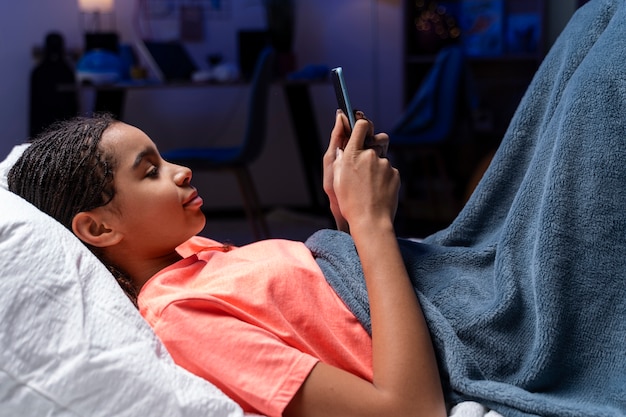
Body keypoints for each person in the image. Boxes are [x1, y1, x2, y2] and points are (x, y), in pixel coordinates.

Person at [7, 112, 447, 417]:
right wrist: (372, 224)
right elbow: (408, 409)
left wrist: (347, 211)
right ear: (99, 229)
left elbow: (321, 309)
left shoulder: (186, 252)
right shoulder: (181, 317)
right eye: (150, 172)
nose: (182, 172)